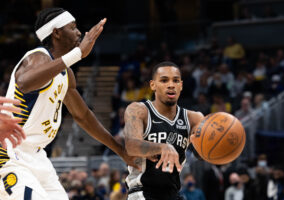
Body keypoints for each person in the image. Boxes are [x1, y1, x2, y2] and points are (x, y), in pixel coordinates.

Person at [0, 7, 137, 200]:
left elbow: (83, 116)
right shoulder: (37, 56)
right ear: (56, 32)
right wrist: (78, 54)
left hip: (38, 157)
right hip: (9, 154)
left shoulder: (66, 73)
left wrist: (120, 150)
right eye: (72, 27)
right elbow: (24, 82)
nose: (79, 32)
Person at [123, 61, 204, 200]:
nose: (171, 85)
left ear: (181, 85)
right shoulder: (139, 110)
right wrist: (161, 147)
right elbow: (131, 145)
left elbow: (200, 155)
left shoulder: (194, 118)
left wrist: (213, 145)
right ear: (153, 85)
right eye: (164, 80)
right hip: (142, 192)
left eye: (176, 80)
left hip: (173, 193)